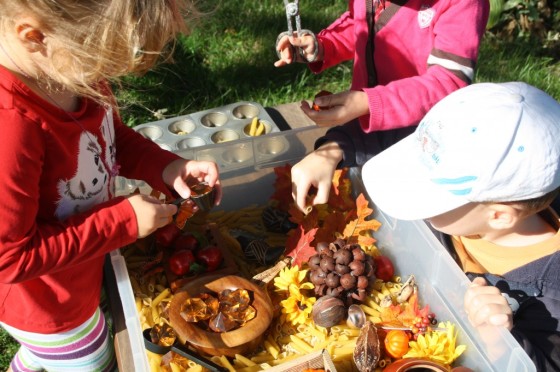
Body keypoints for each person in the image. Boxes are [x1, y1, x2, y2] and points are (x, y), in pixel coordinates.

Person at [0, 1, 221, 371]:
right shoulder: (12, 130)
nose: (105, 77)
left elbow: (108, 134)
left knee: (48, 358)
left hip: (78, 271)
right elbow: (9, 257)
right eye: (101, 60)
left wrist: (166, 167)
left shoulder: (65, 69)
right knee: (95, 361)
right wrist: (122, 222)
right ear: (34, 36)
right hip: (51, 306)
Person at [361, 81, 560, 371]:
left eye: (431, 199)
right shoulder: (470, 211)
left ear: (500, 216)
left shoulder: (551, 298)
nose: (413, 195)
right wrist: (332, 150)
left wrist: (499, 340)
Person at [275, 0, 490, 212]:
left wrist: (368, 103)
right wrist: (324, 46)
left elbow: (447, 83)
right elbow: (361, 23)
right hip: (366, 127)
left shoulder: (463, 4)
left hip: (422, 143)